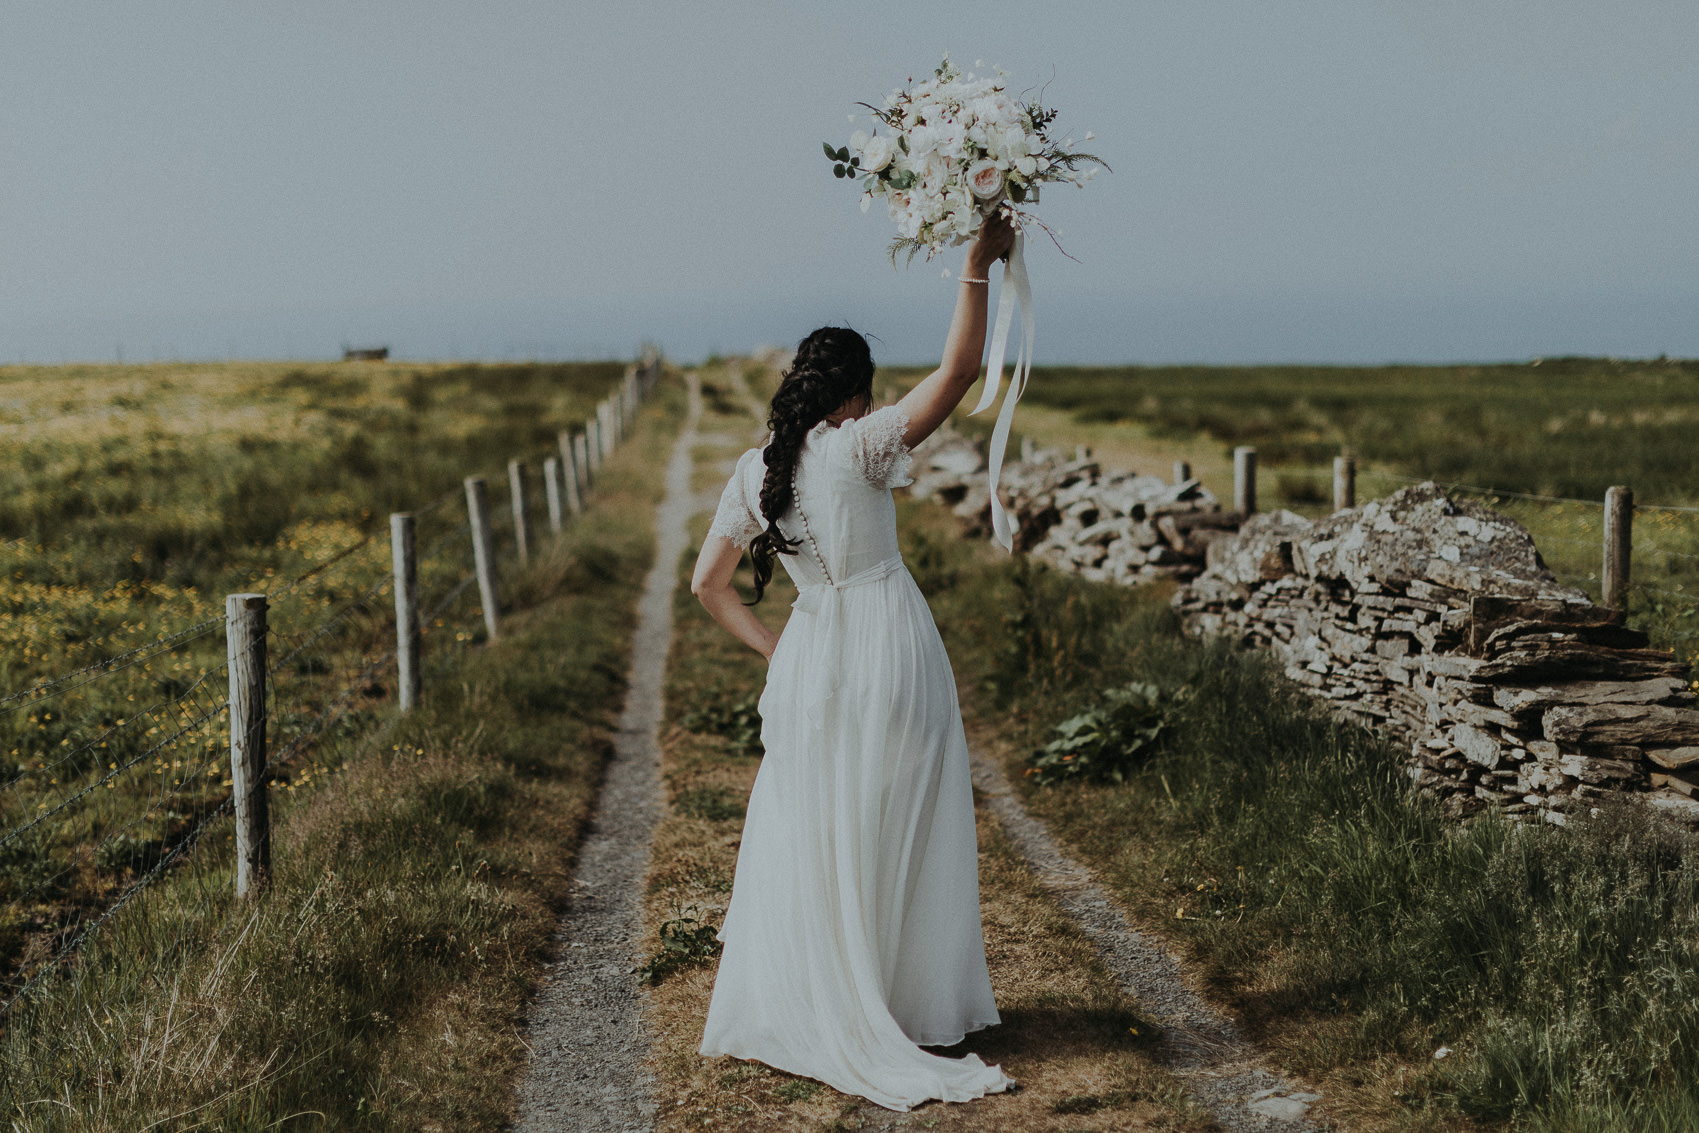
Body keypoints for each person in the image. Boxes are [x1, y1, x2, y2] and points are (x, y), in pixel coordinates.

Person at [689, 211, 1019, 1112]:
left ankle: (823, 993)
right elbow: (956, 375)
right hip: (889, 640)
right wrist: (974, 266)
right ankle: (903, 1003)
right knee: (901, 810)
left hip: (812, 651)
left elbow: (707, 583)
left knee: (820, 821)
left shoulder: (753, 471)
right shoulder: (862, 448)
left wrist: (775, 649)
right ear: (853, 397)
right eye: (867, 395)